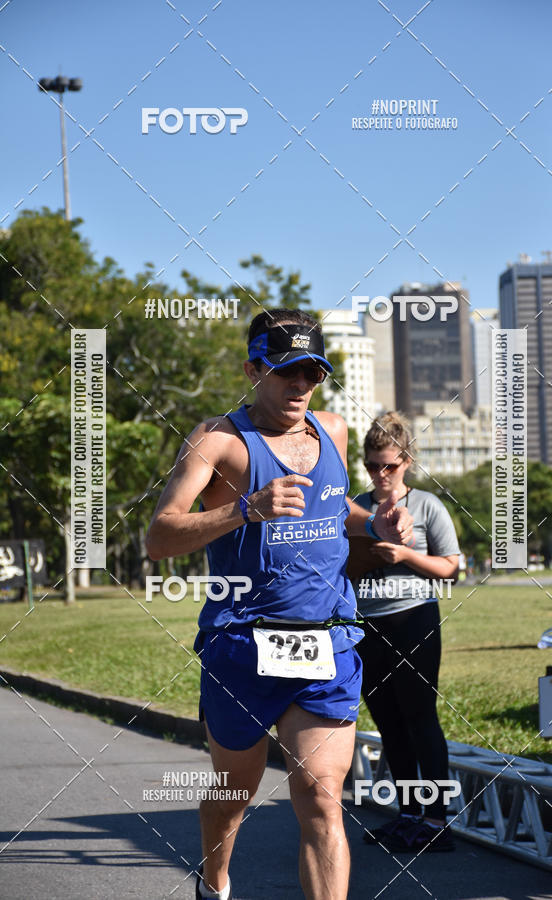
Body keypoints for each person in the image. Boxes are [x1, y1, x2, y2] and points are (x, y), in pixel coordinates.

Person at [145, 309, 413, 900]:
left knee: (321, 798)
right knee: (232, 797)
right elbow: (159, 537)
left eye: (312, 373)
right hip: (243, 643)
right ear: (253, 370)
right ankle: (214, 882)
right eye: (287, 370)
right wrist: (245, 508)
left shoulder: (333, 430)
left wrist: (376, 523)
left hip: (326, 641)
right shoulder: (218, 440)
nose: (300, 384)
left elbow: (333, 507)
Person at [350, 411, 460, 853]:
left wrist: (404, 556)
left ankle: (436, 823)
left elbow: (451, 568)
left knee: (420, 718)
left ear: (407, 461)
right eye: (372, 465)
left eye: (389, 465)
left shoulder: (428, 505)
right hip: (367, 625)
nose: (380, 474)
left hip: (414, 620)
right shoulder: (355, 509)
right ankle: (409, 816)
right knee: (388, 723)